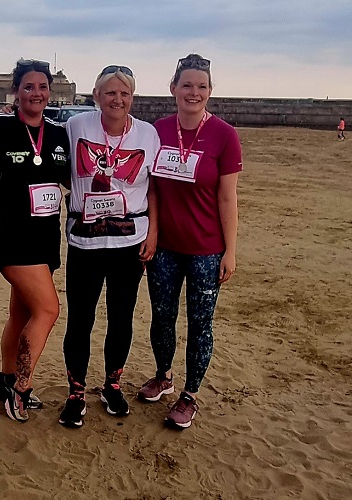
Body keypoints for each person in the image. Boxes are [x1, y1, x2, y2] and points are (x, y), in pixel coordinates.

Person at [140, 54, 241, 429]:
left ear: (210, 92)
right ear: (173, 89)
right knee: (162, 318)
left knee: (201, 323)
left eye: (201, 86)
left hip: (206, 250)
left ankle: (190, 394)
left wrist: (230, 251)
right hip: (164, 248)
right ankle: (163, 376)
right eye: (187, 85)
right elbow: (149, 187)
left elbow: (227, 197)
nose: (193, 92)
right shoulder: (158, 131)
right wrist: (151, 233)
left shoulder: (225, 136)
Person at [59, 65, 160, 428]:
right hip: (84, 241)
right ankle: (75, 390)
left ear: (132, 98)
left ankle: (112, 384)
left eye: (125, 94)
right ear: (97, 95)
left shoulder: (147, 135)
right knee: (80, 318)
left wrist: (153, 233)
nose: (118, 100)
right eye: (111, 93)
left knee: (121, 317)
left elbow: (154, 188)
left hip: (129, 240)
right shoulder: (75, 128)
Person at [0, 59, 70, 422]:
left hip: (45, 238)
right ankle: (22, 388)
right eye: (28, 87)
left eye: (42, 87)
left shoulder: (58, 134)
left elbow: (71, 180)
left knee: (23, 312)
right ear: (16, 91)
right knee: (48, 310)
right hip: (10, 239)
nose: (36, 93)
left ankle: (6, 378)